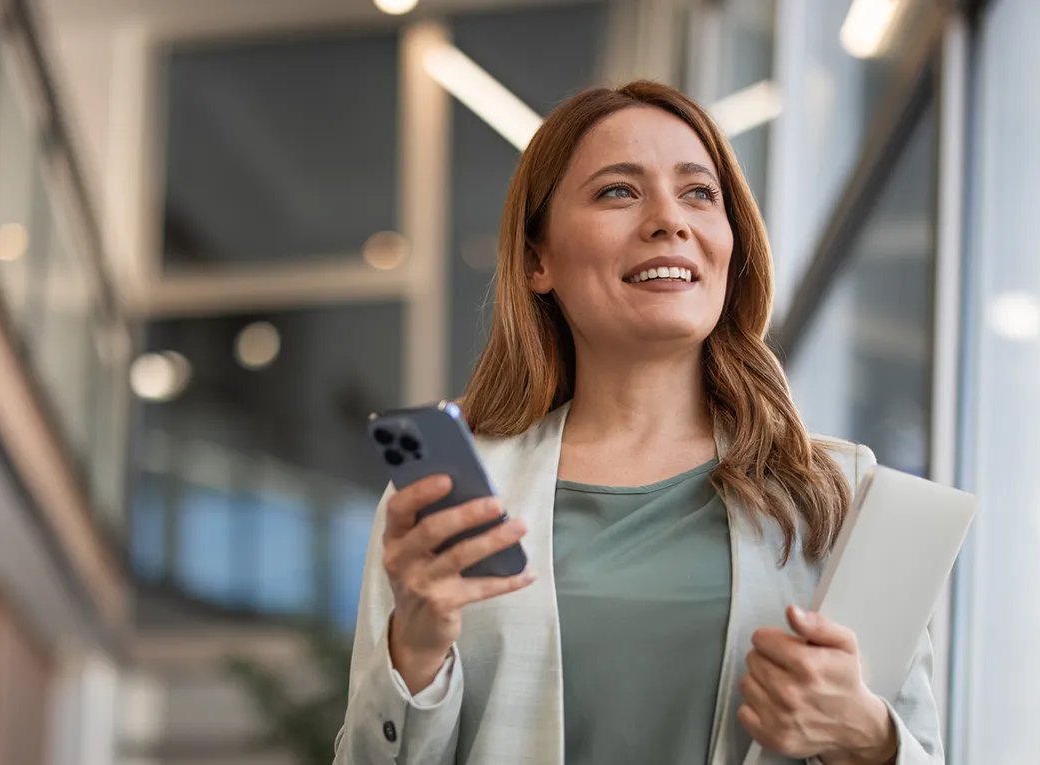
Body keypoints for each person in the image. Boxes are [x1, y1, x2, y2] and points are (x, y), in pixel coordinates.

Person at [333, 81, 942, 765]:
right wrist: (413, 652)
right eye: (618, 191)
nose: (668, 220)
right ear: (539, 259)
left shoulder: (836, 493)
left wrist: (867, 736)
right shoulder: (451, 500)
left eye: (698, 193)